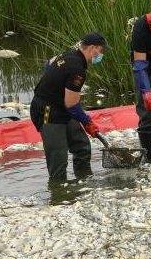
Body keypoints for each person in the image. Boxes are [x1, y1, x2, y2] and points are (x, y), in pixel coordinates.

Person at [29, 32, 108, 182]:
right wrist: (87, 121)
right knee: (58, 160)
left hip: (61, 107)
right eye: (101, 51)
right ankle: (59, 194)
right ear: (92, 48)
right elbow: (71, 104)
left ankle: (84, 182)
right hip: (48, 112)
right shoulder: (77, 68)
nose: (101, 55)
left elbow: (48, 64)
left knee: (82, 147)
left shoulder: (68, 55)